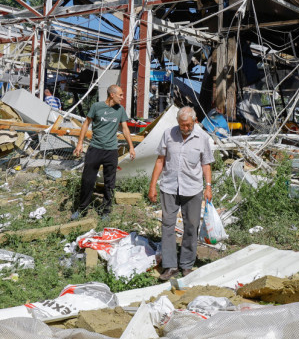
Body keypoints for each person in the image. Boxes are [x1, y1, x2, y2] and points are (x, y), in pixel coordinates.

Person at [148, 106, 214, 281]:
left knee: (191, 226)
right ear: (177, 122)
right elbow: (160, 161)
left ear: (195, 121)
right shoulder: (168, 134)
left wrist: (208, 187)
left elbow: (206, 164)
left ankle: (186, 265)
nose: (185, 128)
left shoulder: (203, 138)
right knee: (167, 225)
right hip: (169, 187)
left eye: (188, 125)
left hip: (193, 189)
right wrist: (152, 185)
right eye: (182, 125)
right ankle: (170, 266)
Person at [72, 85, 136, 220]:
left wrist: (131, 146)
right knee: (87, 180)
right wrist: (79, 143)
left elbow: (125, 129)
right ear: (112, 95)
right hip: (95, 148)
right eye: (121, 95)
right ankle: (82, 208)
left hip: (111, 150)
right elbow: (86, 124)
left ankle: (106, 210)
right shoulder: (96, 106)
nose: (122, 98)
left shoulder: (120, 110)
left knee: (110, 182)